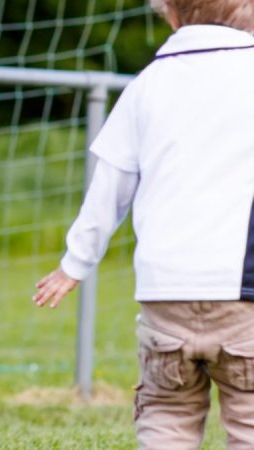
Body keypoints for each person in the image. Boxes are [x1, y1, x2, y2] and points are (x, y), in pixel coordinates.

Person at [32, 0, 254, 447]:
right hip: (244, 296)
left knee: (167, 413)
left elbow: (109, 184)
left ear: (170, 14)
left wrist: (74, 263)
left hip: (164, 291)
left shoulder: (148, 84)